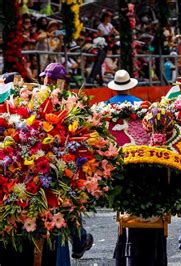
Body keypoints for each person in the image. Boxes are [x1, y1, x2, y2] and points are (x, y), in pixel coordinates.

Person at [40, 63, 95, 261]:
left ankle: (78, 241)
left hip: (57, 164)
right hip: (54, 165)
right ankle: (79, 240)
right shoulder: (66, 102)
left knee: (62, 208)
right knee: (64, 207)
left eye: (48, 79)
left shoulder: (65, 103)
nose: (46, 82)